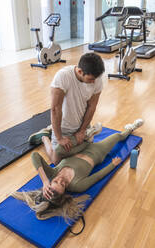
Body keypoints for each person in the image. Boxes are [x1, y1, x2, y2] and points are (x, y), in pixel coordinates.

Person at [13, 119, 143, 222]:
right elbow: (97, 177)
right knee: (117, 136)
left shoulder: (52, 175)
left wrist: (45, 180)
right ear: (65, 191)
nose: (61, 180)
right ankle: (130, 128)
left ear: (51, 183)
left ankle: (85, 135)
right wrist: (112, 165)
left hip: (80, 147)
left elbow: (34, 156)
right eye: (63, 185)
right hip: (97, 151)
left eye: (56, 181)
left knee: (58, 150)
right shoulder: (77, 186)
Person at [29, 53, 105, 165]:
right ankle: (45, 136)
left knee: (87, 150)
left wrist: (82, 130)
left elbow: (92, 107)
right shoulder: (63, 77)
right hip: (63, 126)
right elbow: (55, 109)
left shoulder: (96, 79)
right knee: (56, 161)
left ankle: (53, 131)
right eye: (91, 79)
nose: (94, 82)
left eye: (96, 79)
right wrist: (59, 138)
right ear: (80, 72)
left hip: (80, 124)